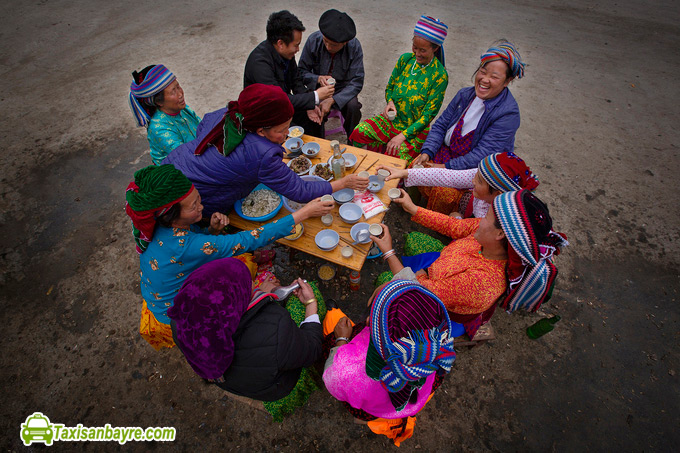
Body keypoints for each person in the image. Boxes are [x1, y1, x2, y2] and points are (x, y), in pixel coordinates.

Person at [125, 164, 332, 350]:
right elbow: (248, 239)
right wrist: (303, 213)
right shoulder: (185, 245)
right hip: (177, 313)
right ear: (170, 215)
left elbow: (194, 250)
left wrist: (211, 231)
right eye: (193, 206)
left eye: (198, 199)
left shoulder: (157, 227)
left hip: (159, 292)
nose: (202, 207)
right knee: (243, 271)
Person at [372, 189, 567, 338]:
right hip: (438, 272)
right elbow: (454, 226)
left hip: (439, 309)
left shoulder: (480, 283)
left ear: (500, 234)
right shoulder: (488, 237)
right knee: (413, 240)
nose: (480, 220)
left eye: (487, 217)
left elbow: (417, 289)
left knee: (384, 282)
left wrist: (388, 252)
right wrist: (411, 206)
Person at [162, 83, 367, 216]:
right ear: (260, 131)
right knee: (214, 225)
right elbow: (300, 190)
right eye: (282, 130)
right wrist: (344, 182)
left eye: (288, 125)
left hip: (175, 163)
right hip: (193, 193)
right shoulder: (263, 155)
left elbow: (204, 126)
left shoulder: (233, 113)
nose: (287, 134)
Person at [169, 258, 325, 421]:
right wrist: (310, 303)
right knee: (311, 291)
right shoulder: (276, 328)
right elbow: (312, 349)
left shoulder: (181, 322)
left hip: (237, 383)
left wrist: (261, 293)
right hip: (275, 386)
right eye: (249, 284)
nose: (252, 285)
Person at [322, 279, 456, 446]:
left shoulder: (346, 370)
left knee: (332, 321)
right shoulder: (437, 349)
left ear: (371, 322)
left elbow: (331, 376)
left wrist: (341, 339)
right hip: (416, 400)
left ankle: (331, 312)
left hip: (372, 410)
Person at [410, 41, 526, 212]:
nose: (484, 80)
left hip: (471, 171)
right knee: (416, 165)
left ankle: (438, 225)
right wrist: (428, 152)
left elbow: (481, 156)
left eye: (494, 77)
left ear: (507, 81)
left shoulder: (508, 114)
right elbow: (441, 125)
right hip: (447, 155)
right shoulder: (465, 95)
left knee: (444, 193)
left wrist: (443, 168)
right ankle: (412, 205)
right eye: (482, 72)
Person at [349, 15, 448, 162]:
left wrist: (401, 137)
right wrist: (389, 102)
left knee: (395, 157)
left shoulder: (439, 76)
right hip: (392, 120)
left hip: (414, 130)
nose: (417, 53)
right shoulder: (405, 59)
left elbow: (427, 116)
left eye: (423, 50)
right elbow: (389, 88)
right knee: (359, 131)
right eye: (415, 47)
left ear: (435, 48)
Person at [244, 10, 334, 138]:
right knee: (293, 134)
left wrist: (310, 104)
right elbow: (277, 100)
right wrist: (315, 96)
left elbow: (296, 80)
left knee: (316, 114)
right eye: (296, 45)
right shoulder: (260, 64)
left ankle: (319, 149)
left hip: (282, 103)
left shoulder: (286, 53)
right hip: (267, 113)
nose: (298, 50)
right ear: (280, 43)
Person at [377, 151, 539, 217]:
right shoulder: (486, 180)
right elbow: (446, 176)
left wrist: (414, 209)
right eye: (476, 174)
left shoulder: (494, 219)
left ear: (497, 194)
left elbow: (468, 234)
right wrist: (404, 173)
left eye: (479, 181)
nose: (473, 180)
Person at [298, 9, 364, 137]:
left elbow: (357, 81)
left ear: (345, 43)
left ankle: (353, 140)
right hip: (318, 88)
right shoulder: (314, 40)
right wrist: (317, 78)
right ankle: (319, 140)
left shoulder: (354, 46)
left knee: (353, 107)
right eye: (325, 41)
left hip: (342, 89)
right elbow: (300, 72)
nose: (328, 47)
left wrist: (333, 100)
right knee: (312, 110)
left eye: (333, 45)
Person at [129, 64, 201, 165]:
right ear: (159, 102)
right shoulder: (159, 128)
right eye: (173, 92)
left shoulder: (182, 109)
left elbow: (202, 127)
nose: (180, 94)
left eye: (178, 86)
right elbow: (187, 156)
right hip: (180, 169)